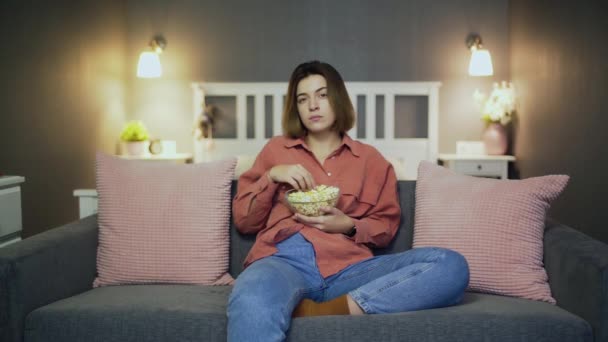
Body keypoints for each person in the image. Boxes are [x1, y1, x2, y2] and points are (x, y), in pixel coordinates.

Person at [227, 61, 469, 342]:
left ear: (338, 99)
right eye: (302, 99)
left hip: (350, 269)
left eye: (322, 94)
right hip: (283, 261)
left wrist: (349, 225)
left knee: (450, 265)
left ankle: (329, 310)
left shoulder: (372, 161)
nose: (312, 105)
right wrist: (272, 175)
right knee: (251, 296)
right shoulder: (276, 149)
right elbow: (244, 222)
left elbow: (385, 228)